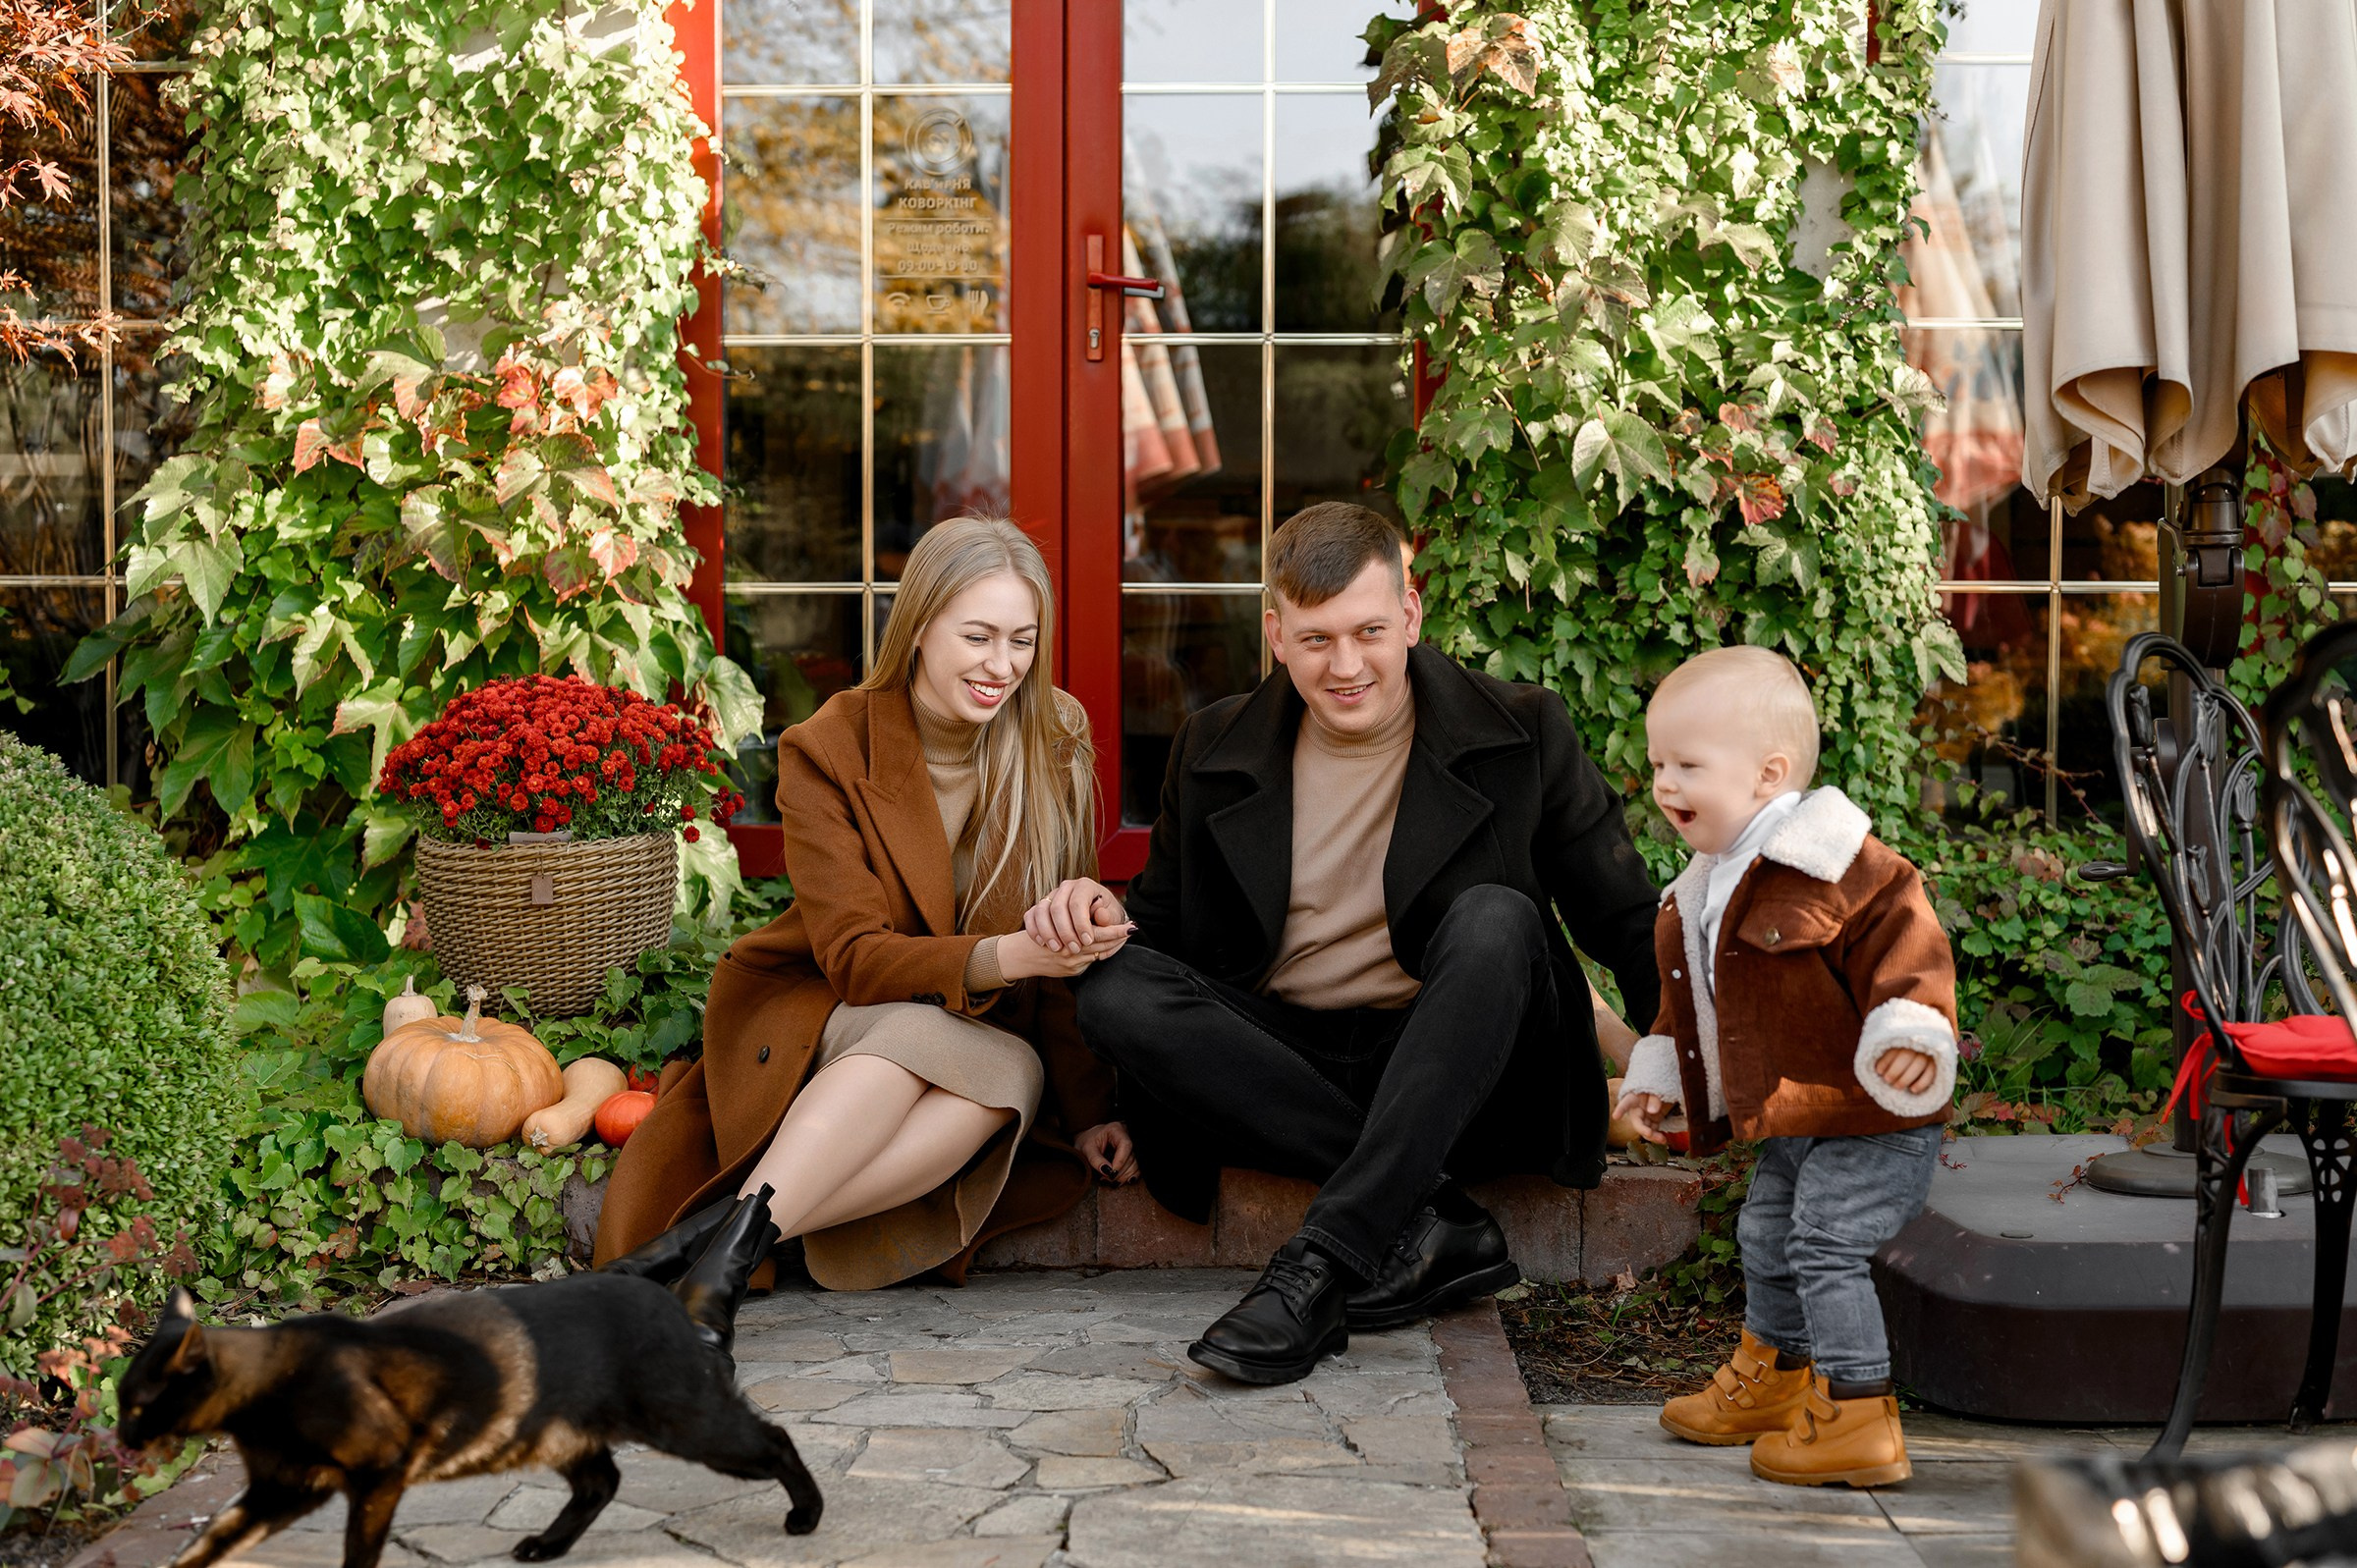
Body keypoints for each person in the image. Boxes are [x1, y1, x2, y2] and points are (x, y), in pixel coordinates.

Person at [1047, 502, 1663, 1385]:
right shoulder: (1212, 744)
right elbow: (1165, 936)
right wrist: (1093, 924)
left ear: (1410, 615)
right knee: (1114, 985)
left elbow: (1626, 919)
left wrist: (1682, 1063)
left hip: (1464, 1068)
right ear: (1275, 636)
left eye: (1370, 631)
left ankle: (1319, 1267)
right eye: (1316, 638)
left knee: (1496, 916)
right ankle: (1423, 1224)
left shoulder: (1522, 729)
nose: (1346, 666)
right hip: (1288, 1073)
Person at [593, 516, 1140, 1292]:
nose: (1002, 665)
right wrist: (1008, 957)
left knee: (1006, 1079)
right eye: (977, 636)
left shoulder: (1055, 736)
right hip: (825, 1005)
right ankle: (721, 1254)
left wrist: (1087, 1109)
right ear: (918, 627)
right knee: (925, 1036)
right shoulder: (829, 745)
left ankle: (712, 1252)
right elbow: (854, 956)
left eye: (1022, 640)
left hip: (975, 1033)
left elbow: (1060, 957)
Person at [1615, 645, 1957, 1487]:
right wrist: (1659, 1080)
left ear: (1769, 773)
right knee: (1765, 1231)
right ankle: (1776, 1377)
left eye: (1688, 764)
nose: (1665, 783)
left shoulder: (1840, 861)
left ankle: (1859, 1413)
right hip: (1799, 1114)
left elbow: (1910, 948)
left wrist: (1912, 1031)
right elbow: (1689, 1008)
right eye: (1658, 762)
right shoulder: (1703, 885)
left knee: (1826, 1243)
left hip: (1870, 1110)